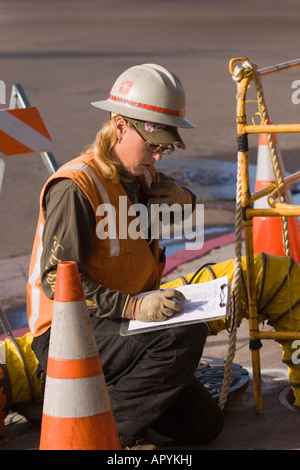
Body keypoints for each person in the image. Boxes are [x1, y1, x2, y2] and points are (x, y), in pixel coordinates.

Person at [27, 63, 224, 449]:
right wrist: (135, 308)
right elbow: (57, 280)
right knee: (183, 335)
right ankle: (104, 435)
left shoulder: (139, 174)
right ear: (119, 127)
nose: (159, 157)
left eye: (165, 147)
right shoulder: (76, 187)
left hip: (117, 327)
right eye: (153, 145)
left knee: (204, 425)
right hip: (68, 335)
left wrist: (185, 200)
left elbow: (170, 194)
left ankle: (92, 407)